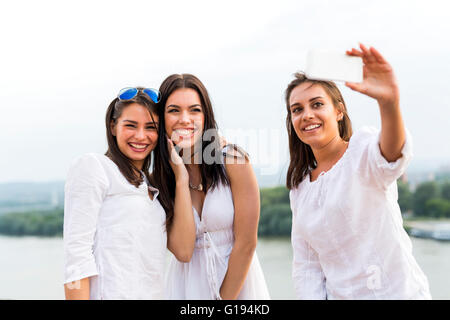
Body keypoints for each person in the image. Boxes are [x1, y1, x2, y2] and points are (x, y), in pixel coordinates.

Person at [286, 44, 431, 299]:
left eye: (317, 104)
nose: (307, 114)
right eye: (297, 109)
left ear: (338, 111)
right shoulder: (300, 188)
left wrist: (389, 103)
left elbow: (392, 157)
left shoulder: (361, 151)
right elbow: (307, 268)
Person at [63, 87, 196, 300]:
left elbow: (184, 251)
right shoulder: (95, 167)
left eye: (150, 127)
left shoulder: (151, 188)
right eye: (131, 125)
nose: (141, 136)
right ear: (113, 126)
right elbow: (76, 258)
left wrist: (181, 178)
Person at [152, 73, 270, 300]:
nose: (185, 119)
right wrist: (180, 179)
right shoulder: (160, 181)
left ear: (206, 116)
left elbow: (246, 243)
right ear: (161, 119)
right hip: (185, 288)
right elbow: (183, 251)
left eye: (195, 110)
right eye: (174, 110)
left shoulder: (234, 161)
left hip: (238, 286)